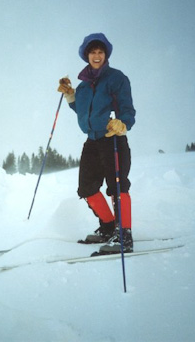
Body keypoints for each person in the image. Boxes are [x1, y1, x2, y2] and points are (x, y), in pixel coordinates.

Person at [58, 33, 136, 254]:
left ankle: (124, 236)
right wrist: (70, 95)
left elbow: (127, 109)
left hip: (113, 139)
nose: (96, 55)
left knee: (117, 185)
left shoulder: (116, 78)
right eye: (92, 52)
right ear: (86, 55)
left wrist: (123, 124)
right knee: (87, 187)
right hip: (92, 141)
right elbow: (83, 111)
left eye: (100, 52)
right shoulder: (83, 87)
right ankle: (109, 227)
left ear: (106, 54)